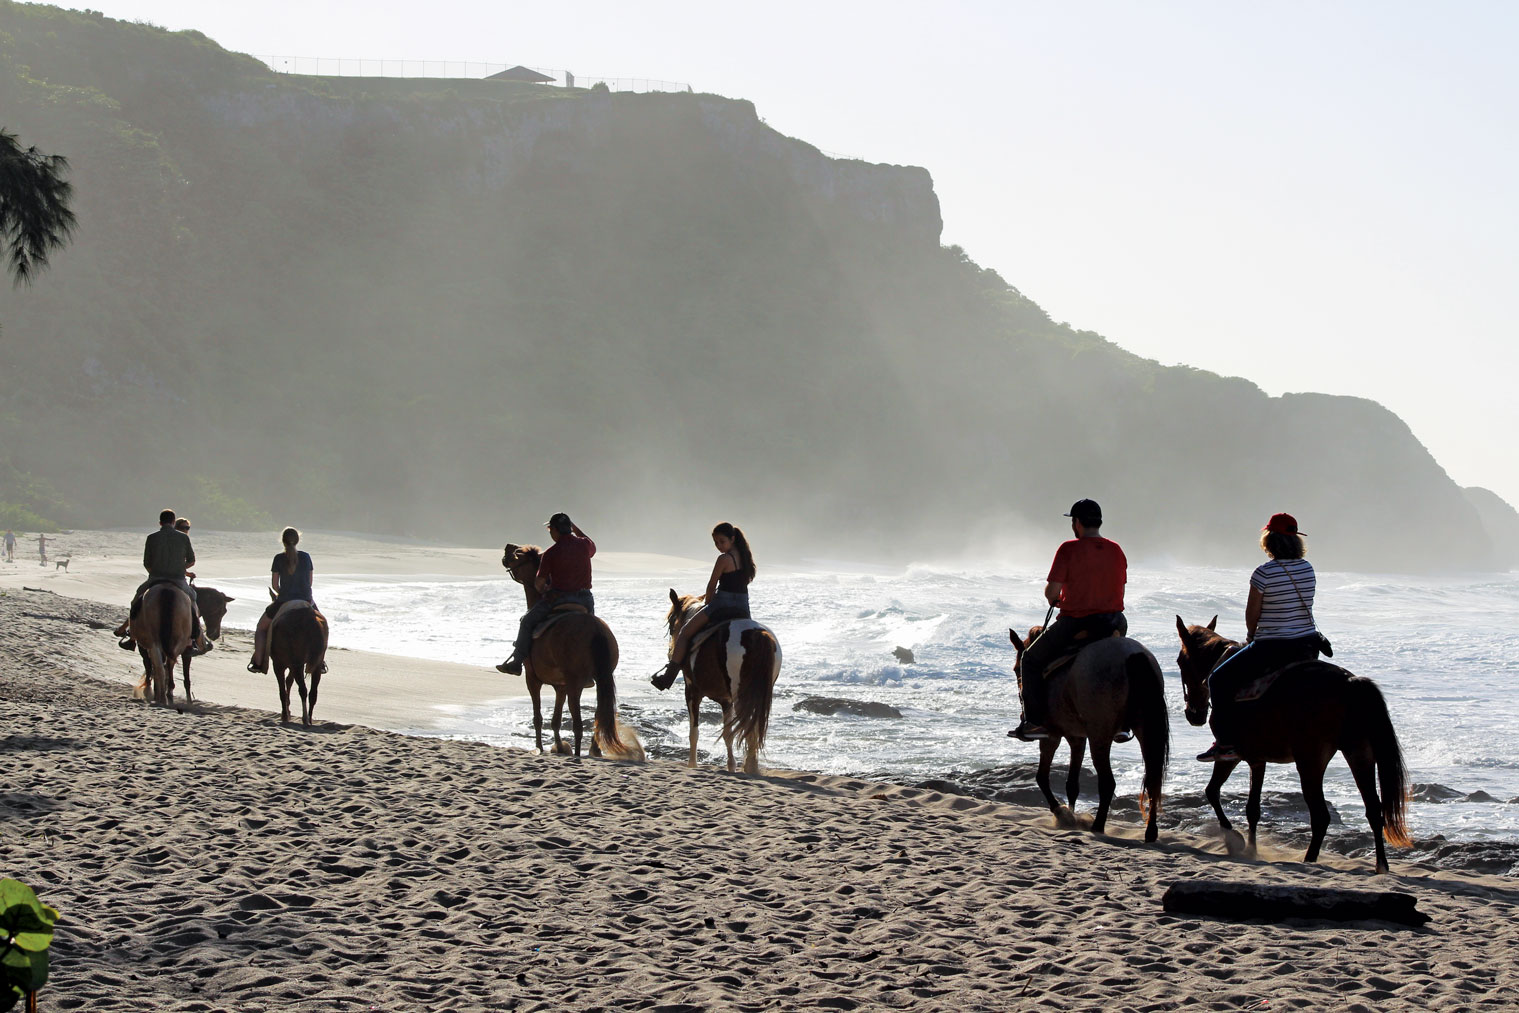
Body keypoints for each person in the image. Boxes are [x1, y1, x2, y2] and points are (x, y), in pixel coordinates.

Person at [1197, 513, 1323, 762]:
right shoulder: (1307, 568)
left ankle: (1227, 743)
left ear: (1269, 540)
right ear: (1296, 541)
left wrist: (1251, 636)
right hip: (1308, 645)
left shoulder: (1263, 573)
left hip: (1273, 647)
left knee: (1218, 680)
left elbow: (1252, 615)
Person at [1010, 499, 1128, 742]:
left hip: (1078, 621)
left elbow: (1052, 592)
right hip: (1115, 622)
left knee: (1030, 659)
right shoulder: (1116, 549)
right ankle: (1124, 723)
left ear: (1077, 523)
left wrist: (1056, 599)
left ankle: (1035, 723)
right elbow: (1118, 588)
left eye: (1073, 521)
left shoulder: (1068, 549)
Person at [652, 522, 756, 690]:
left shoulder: (724, 559)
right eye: (716, 542)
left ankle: (668, 678)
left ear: (732, 539)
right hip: (743, 608)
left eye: (722, 541)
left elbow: (711, 585)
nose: (719, 546)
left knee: (684, 633)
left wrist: (707, 604)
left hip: (721, 606)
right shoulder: (745, 558)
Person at [496, 513, 595, 675]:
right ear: (569, 528)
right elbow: (589, 542)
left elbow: (539, 582)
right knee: (592, 630)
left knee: (526, 621)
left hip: (560, 598)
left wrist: (544, 589)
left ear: (555, 530)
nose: (550, 533)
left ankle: (517, 662)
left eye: (550, 529)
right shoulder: (585, 545)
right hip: (585, 599)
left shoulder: (551, 553)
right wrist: (574, 527)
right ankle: (594, 669)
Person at [113, 509, 208, 652]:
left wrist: (155, 573)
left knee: (136, 602)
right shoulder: (183, 538)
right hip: (178, 579)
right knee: (193, 601)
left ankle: (132, 639)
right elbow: (191, 560)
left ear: (160, 523)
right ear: (173, 522)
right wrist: (180, 568)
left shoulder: (151, 537)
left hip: (156, 578)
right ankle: (195, 640)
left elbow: (147, 562)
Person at [248, 527, 319, 674]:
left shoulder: (278, 558)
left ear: (283, 541)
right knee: (321, 626)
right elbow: (310, 582)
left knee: (261, 628)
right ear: (297, 540)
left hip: (284, 600)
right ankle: (320, 661)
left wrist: (284, 593)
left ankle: (258, 662)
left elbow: (275, 585)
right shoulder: (306, 557)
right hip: (306, 600)